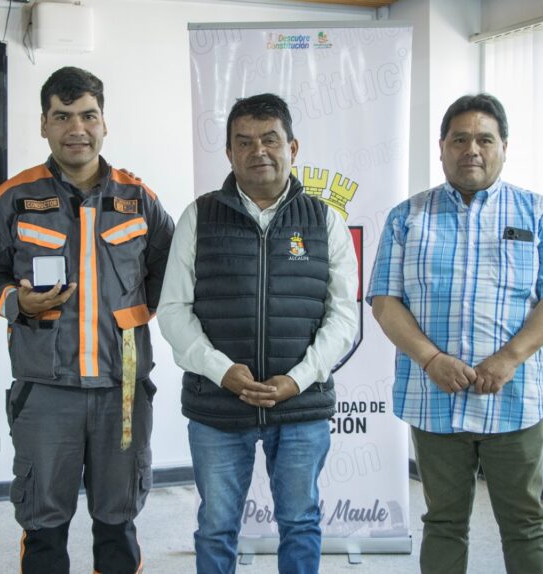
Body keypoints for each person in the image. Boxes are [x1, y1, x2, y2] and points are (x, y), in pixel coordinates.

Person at [367, 93, 543, 574]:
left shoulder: (538, 213)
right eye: (459, 139)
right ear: (441, 147)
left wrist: (508, 358)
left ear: (504, 146)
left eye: (485, 139)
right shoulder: (407, 217)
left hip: (514, 398)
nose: (472, 149)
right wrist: (431, 359)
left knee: (525, 522)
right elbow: (384, 301)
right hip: (434, 397)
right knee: (443, 522)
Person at [157, 93, 359, 574]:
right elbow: (172, 310)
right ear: (229, 153)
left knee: (301, 521)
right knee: (216, 527)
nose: (258, 151)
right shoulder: (199, 217)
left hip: (300, 405)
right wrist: (221, 370)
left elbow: (344, 317)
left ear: (293, 147)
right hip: (218, 403)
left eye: (270, 139)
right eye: (244, 142)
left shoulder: (324, 221)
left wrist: (298, 379)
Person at [0, 66, 174, 574]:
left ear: (104, 123)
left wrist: (133, 315)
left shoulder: (139, 198)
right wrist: (17, 303)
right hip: (46, 391)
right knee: (43, 523)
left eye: (88, 116)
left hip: (123, 389)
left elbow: (171, 272)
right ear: (43, 124)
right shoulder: (11, 198)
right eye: (63, 116)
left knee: (118, 520)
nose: (77, 129)